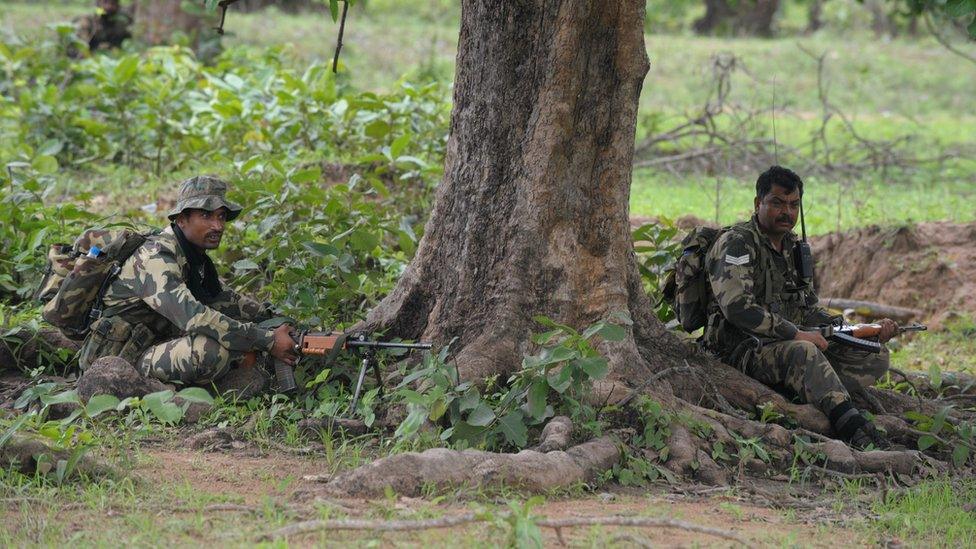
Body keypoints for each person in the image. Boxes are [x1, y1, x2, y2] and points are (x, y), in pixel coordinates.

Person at [704, 166, 898, 449]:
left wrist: (856, 330)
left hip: (787, 346)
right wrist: (795, 333)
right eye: (777, 203)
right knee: (805, 352)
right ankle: (852, 428)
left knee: (875, 356)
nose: (787, 212)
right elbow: (738, 309)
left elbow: (808, 307)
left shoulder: (793, 248)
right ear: (758, 204)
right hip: (742, 351)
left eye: (794, 205)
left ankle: (814, 388)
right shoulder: (737, 244)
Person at [77, 175, 297, 389]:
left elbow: (222, 299)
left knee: (228, 330)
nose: (218, 226)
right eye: (206, 216)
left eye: (221, 216)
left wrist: (275, 321)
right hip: (119, 356)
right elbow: (193, 316)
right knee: (212, 352)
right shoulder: (155, 256)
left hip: (156, 339)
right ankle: (151, 389)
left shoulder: (191, 255)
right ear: (181, 219)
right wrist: (266, 340)